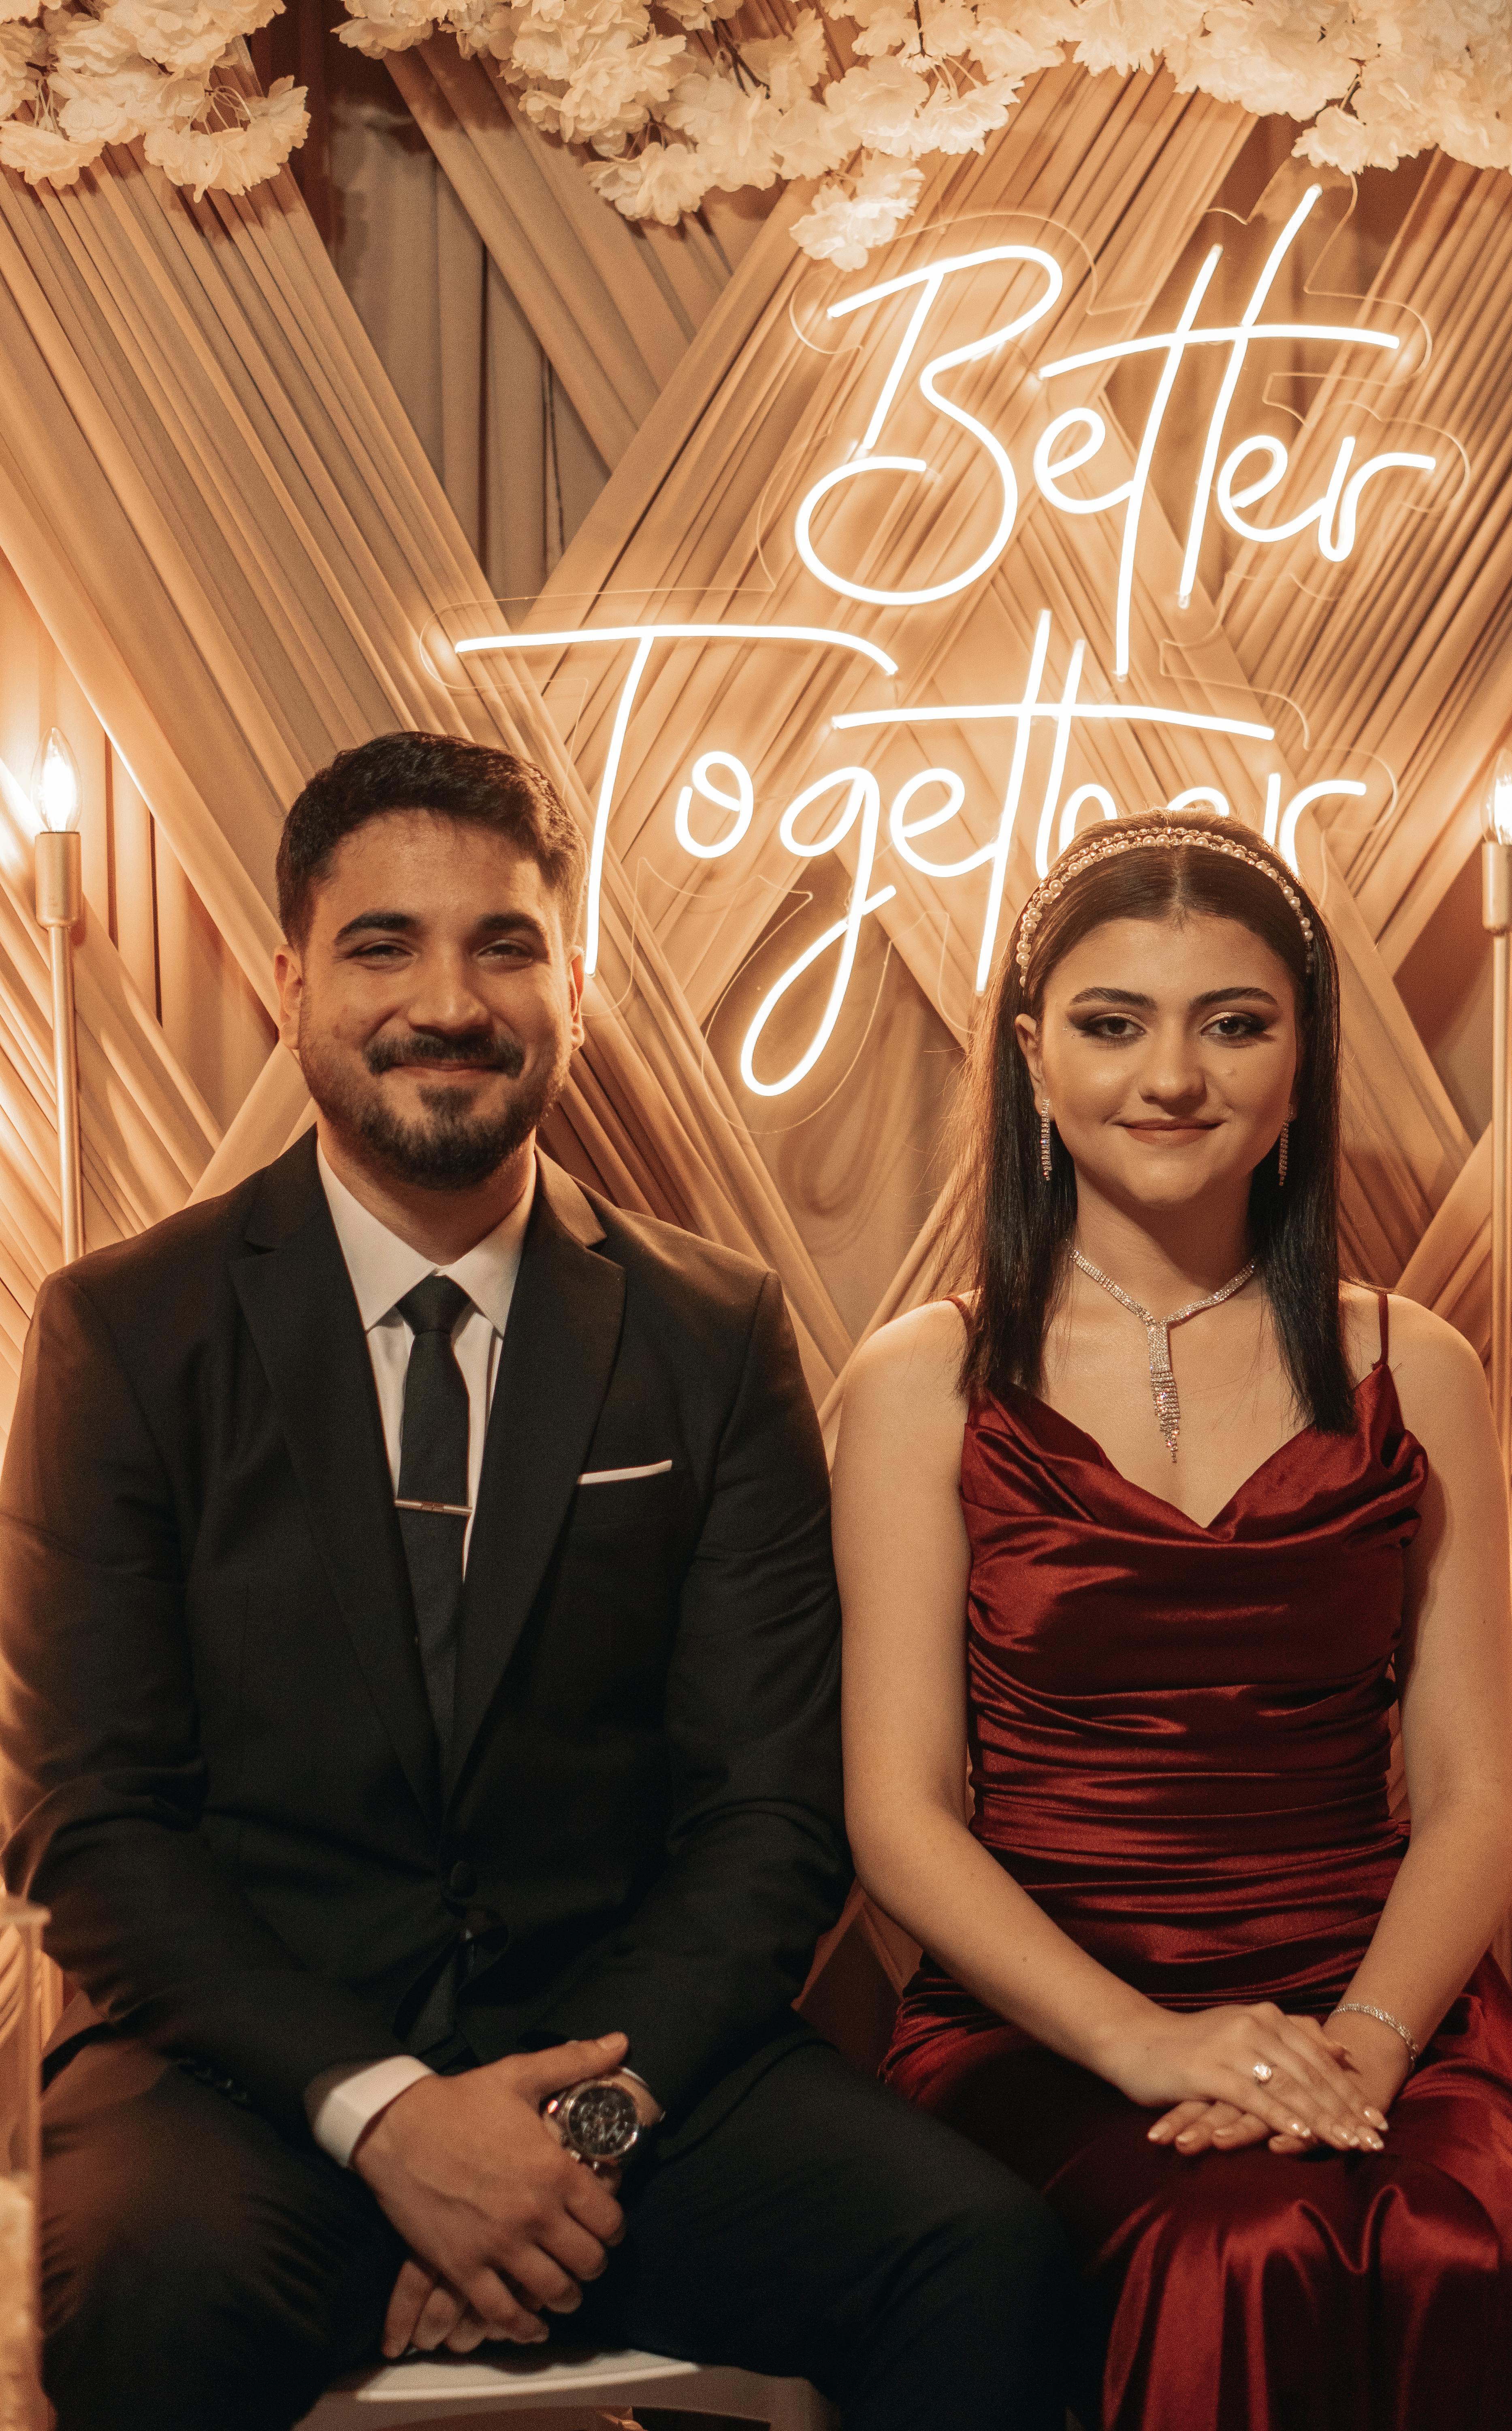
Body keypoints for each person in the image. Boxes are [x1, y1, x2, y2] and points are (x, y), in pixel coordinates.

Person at [0, 730, 1072, 2431]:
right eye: (383, 946)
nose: (449, 998)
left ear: (571, 983)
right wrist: (392, 2120)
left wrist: (555, 2145)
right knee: (144, 2292)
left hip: (629, 2081)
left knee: (978, 2252)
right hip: (251, 2091)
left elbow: (769, 1816)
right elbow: (94, 1819)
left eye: (503, 944)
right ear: (290, 983)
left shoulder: (709, 1332)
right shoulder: (127, 1329)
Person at [833, 805, 1512, 2431]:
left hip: (1375, 1993)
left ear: (1300, 1059)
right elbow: (898, 1818)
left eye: (1232, 1023)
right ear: (1034, 1059)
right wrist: (1141, 2044)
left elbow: (1477, 1796)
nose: (1170, 1077)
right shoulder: (923, 1383)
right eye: (1113, 1024)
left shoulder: (1421, 1366)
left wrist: (1370, 2049)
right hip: (1044, 2016)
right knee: (1238, 2242)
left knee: (1454, 2234)